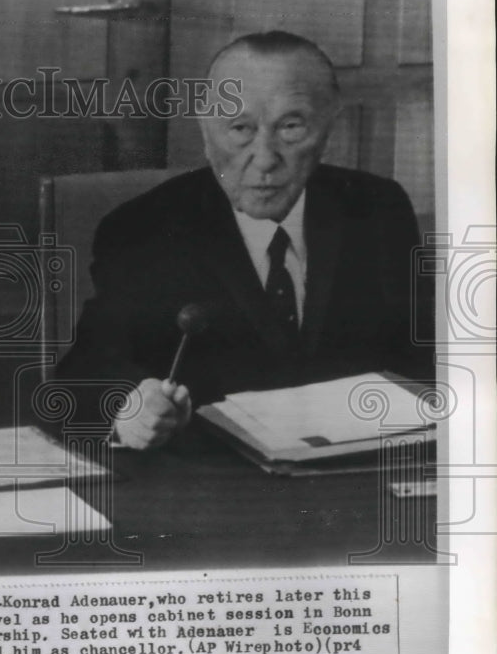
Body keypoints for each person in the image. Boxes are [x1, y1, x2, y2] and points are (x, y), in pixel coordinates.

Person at [57, 31, 434, 450]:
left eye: (291, 127)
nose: (265, 158)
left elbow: (427, 354)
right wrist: (128, 405)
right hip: (215, 487)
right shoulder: (143, 229)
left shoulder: (377, 209)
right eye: (240, 128)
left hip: (353, 478)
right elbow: (82, 374)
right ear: (205, 130)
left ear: (330, 128)